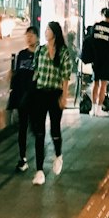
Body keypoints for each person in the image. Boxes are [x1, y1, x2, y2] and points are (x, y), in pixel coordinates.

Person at [28, 20, 74, 185]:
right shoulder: (40, 50)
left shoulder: (62, 52)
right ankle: (39, 170)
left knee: (55, 128)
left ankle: (58, 155)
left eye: (48, 30)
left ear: (54, 32)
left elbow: (65, 75)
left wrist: (64, 96)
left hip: (55, 94)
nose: (45, 32)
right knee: (39, 132)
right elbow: (35, 72)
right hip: (40, 93)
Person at [8, 25, 38, 173]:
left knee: (36, 129)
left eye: (32, 35)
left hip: (36, 97)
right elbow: (18, 74)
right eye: (27, 35)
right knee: (22, 128)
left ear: (37, 37)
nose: (29, 37)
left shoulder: (42, 54)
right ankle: (22, 158)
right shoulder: (21, 54)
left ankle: (39, 161)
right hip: (22, 96)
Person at [88, 6, 109, 116]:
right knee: (103, 84)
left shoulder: (96, 26)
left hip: (96, 58)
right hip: (107, 58)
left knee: (95, 82)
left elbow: (90, 39)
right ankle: (99, 108)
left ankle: (92, 109)